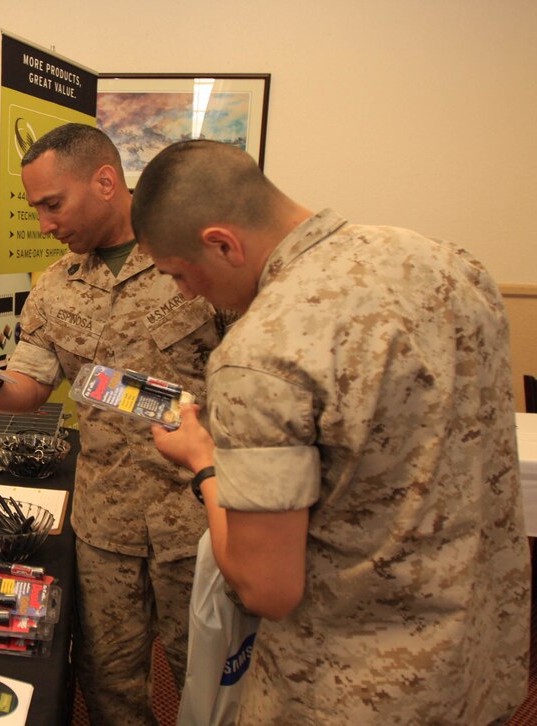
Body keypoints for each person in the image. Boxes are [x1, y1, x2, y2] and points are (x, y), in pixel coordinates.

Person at [132, 139, 530, 724]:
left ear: (223, 243)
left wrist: (203, 462)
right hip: (481, 660)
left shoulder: (261, 353)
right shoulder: (450, 263)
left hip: (355, 685)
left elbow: (265, 587)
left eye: (180, 274)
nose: (185, 294)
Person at [0, 123, 235, 724]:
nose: (44, 224)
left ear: (106, 182)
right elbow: (28, 389)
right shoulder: (55, 287)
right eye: (35, 208)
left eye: (52, 204)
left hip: (197, 521)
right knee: (108, 681)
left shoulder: (192, 261)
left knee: (212, 674)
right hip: (104, 524)